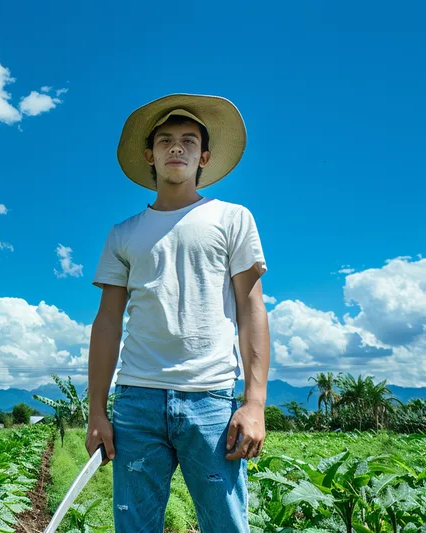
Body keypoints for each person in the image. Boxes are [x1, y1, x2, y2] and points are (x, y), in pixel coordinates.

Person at [85, 93, 270, 532]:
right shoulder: (123, 233)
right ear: (150, 155)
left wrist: (255, 403)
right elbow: (107, 322)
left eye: (189, 140)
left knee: (226, 525)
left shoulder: (232, 218)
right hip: (137, 401)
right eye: (165, 140)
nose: (177, 147)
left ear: (203, 156)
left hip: (210, 399)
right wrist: (96, 411)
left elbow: (251, 306)